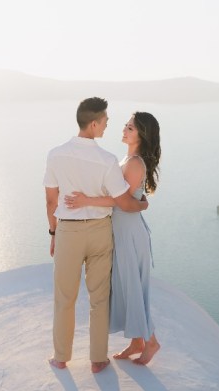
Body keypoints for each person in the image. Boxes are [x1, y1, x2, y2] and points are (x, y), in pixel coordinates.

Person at [44, 97, 148, 374]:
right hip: (101, 232)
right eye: (105, 121)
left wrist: (54, 233)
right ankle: (98, 359)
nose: (107, 125)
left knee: (64, 297)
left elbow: (51, 201)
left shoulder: (56, 154)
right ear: (93, 123)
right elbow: (121, 201)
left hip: (68, 231)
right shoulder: (108, 160)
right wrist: (143, 203)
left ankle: (61, 357)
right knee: (99, 298)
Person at [65, 111, 162, 365]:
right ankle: (136, 342)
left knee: (133, 288)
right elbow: (132, 200)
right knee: (125, 286)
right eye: (126, 126)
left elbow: (123, 202)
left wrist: (86, 201)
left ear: (141, 134)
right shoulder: (128, 159)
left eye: (130, 128)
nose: (124, 130)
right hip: (122, 230)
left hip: (129, 233)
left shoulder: (133, 163)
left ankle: (151, 342)